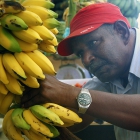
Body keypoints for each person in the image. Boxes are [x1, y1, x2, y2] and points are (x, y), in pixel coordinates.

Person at [21, 2, 140, 140]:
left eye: (93, 43)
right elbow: (75, 118)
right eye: (80, 53)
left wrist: (68, 93)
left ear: (121, 31)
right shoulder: (110, 72)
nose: (87, 60)